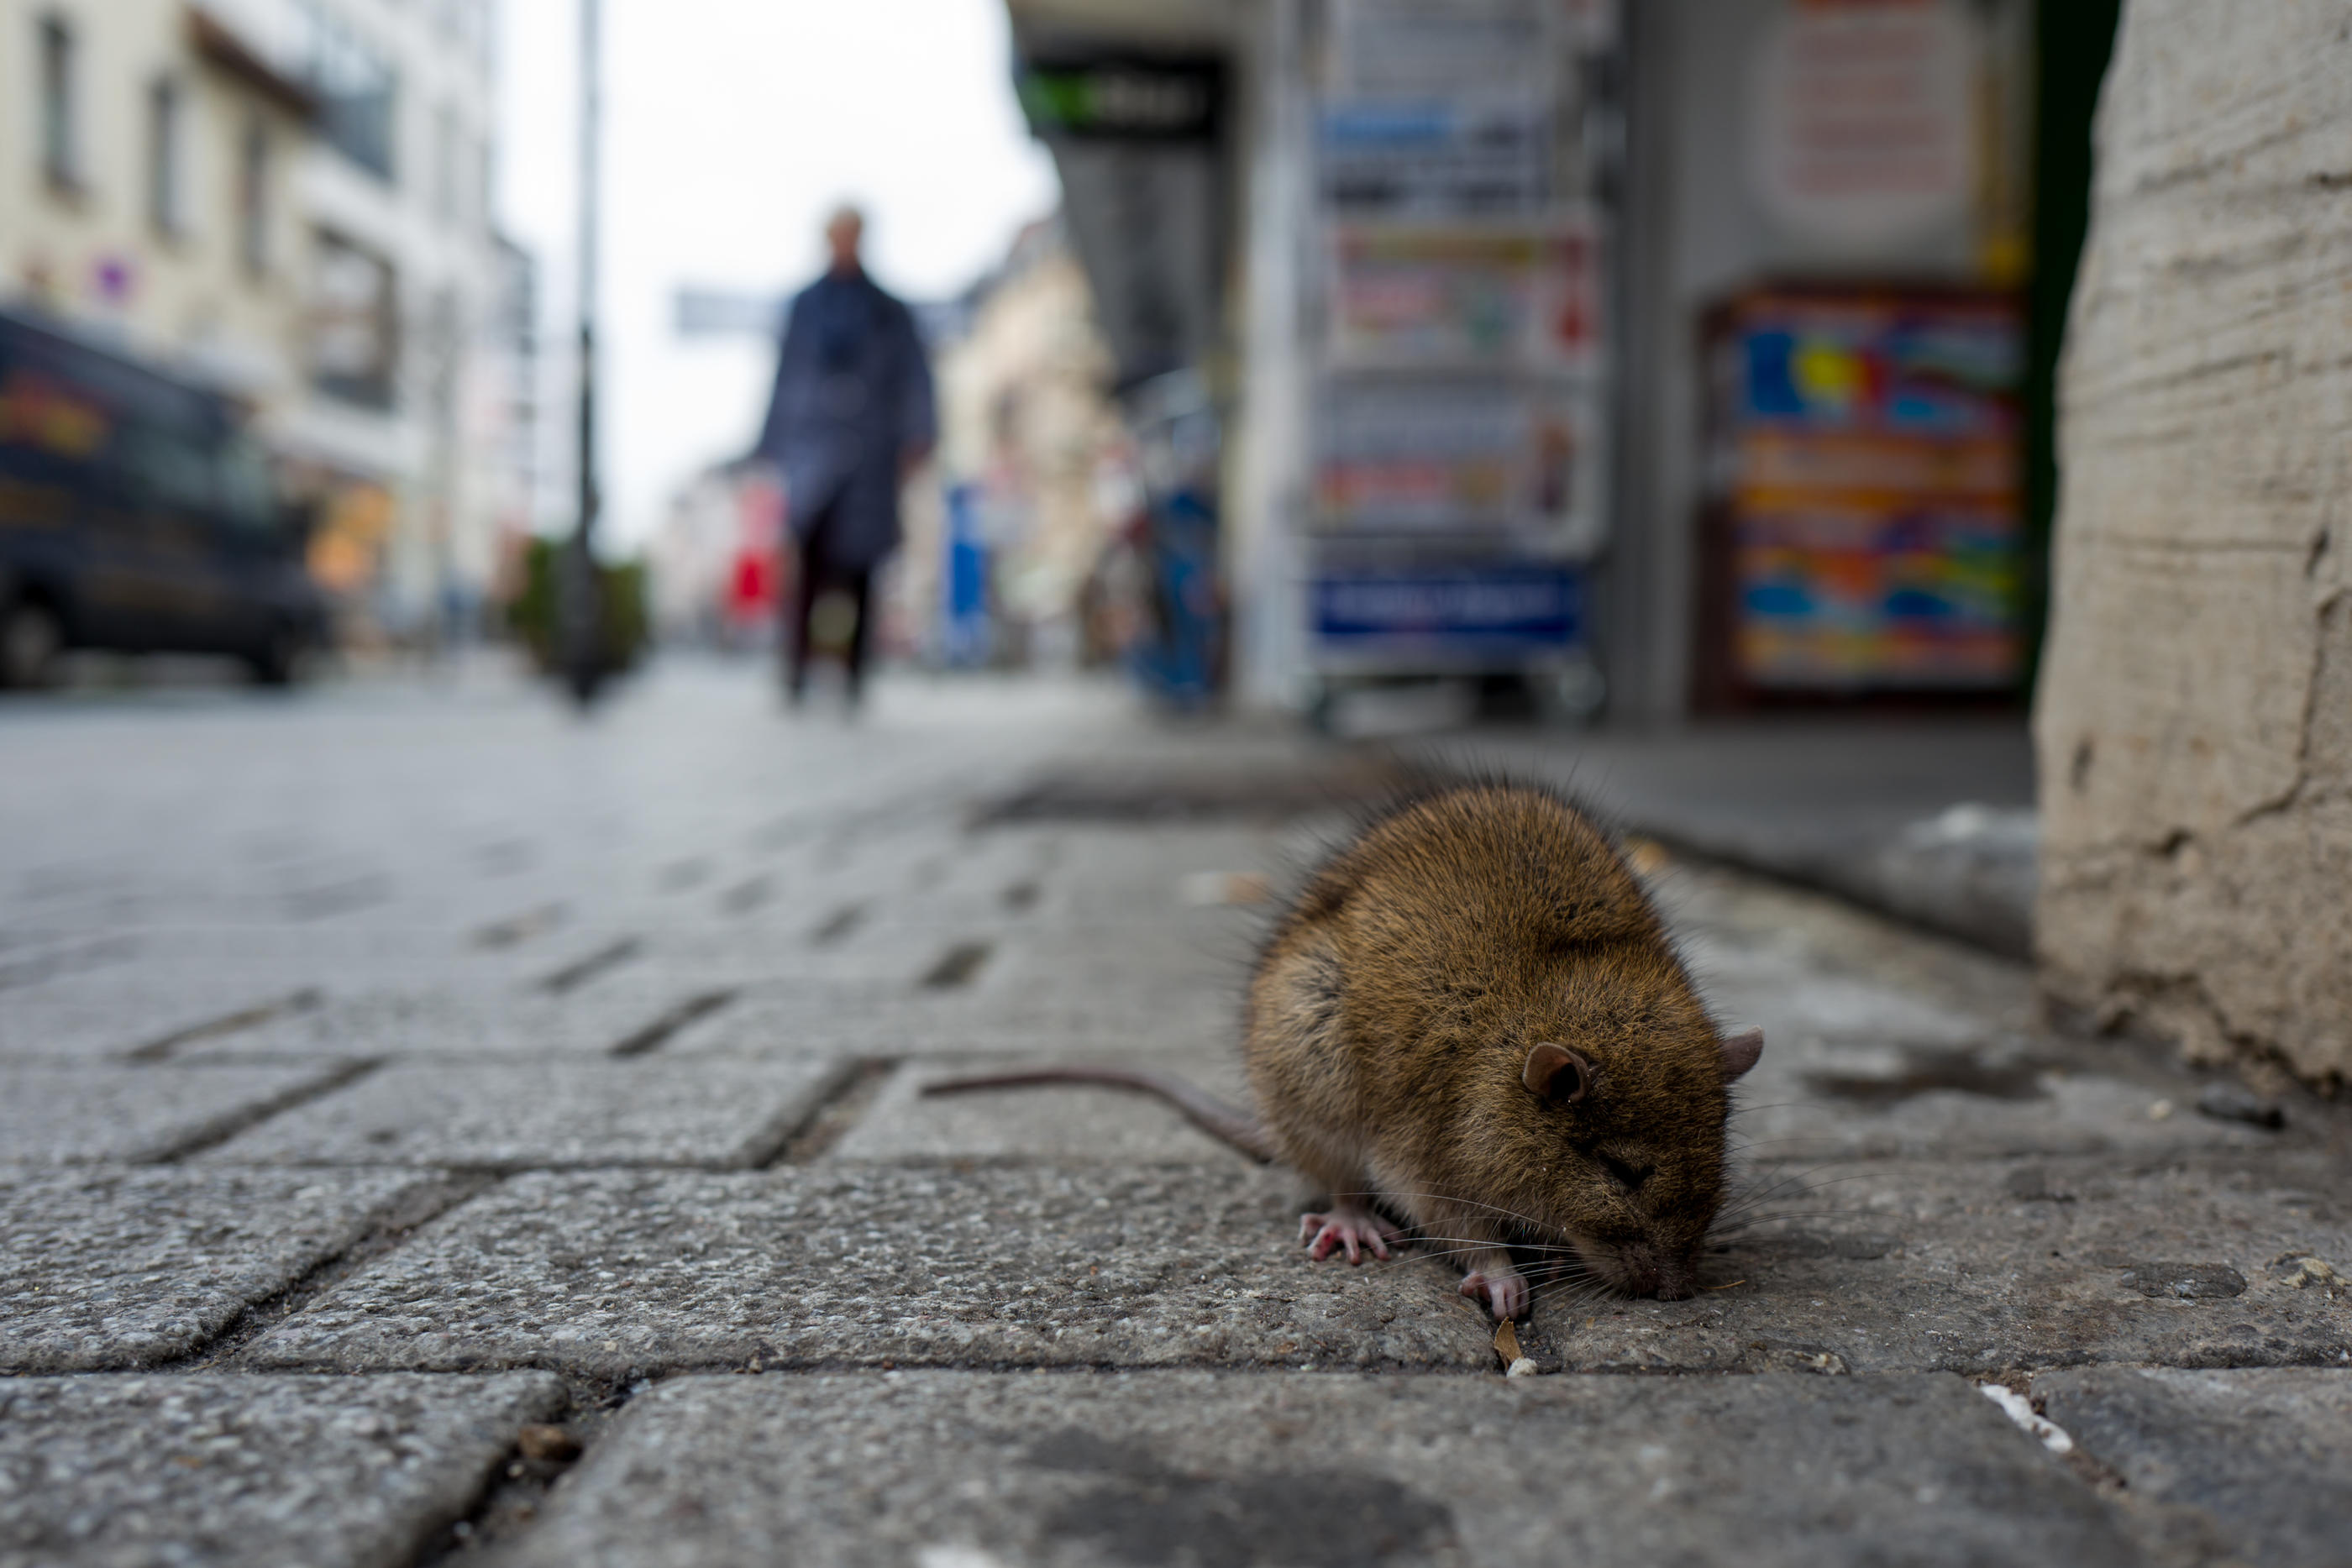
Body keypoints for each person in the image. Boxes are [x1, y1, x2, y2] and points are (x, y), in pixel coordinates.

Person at [753, 205, 936, 706]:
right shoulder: (804, 307)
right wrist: (771, 447)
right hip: (813, 449)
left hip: (870, 450)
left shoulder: (890, 310)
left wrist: (918, 436)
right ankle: (796, 669)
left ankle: (855, 673)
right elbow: (783, 376)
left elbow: (915, 378)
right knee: (808, 560)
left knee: (861, 567)